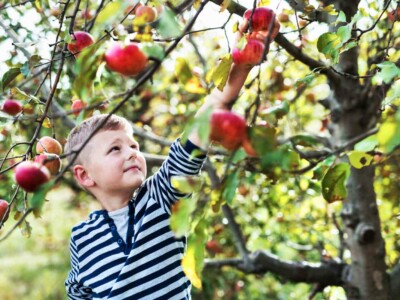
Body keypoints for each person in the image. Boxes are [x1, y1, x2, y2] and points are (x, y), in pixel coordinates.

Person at [64, 17, 280, 300]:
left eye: (133, 145)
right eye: (115, 149)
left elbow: (207, 116)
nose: (132, 152)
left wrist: (243, 59)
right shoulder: (82, 238)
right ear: (85, 175)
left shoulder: (160, 196)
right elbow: (78, 293)